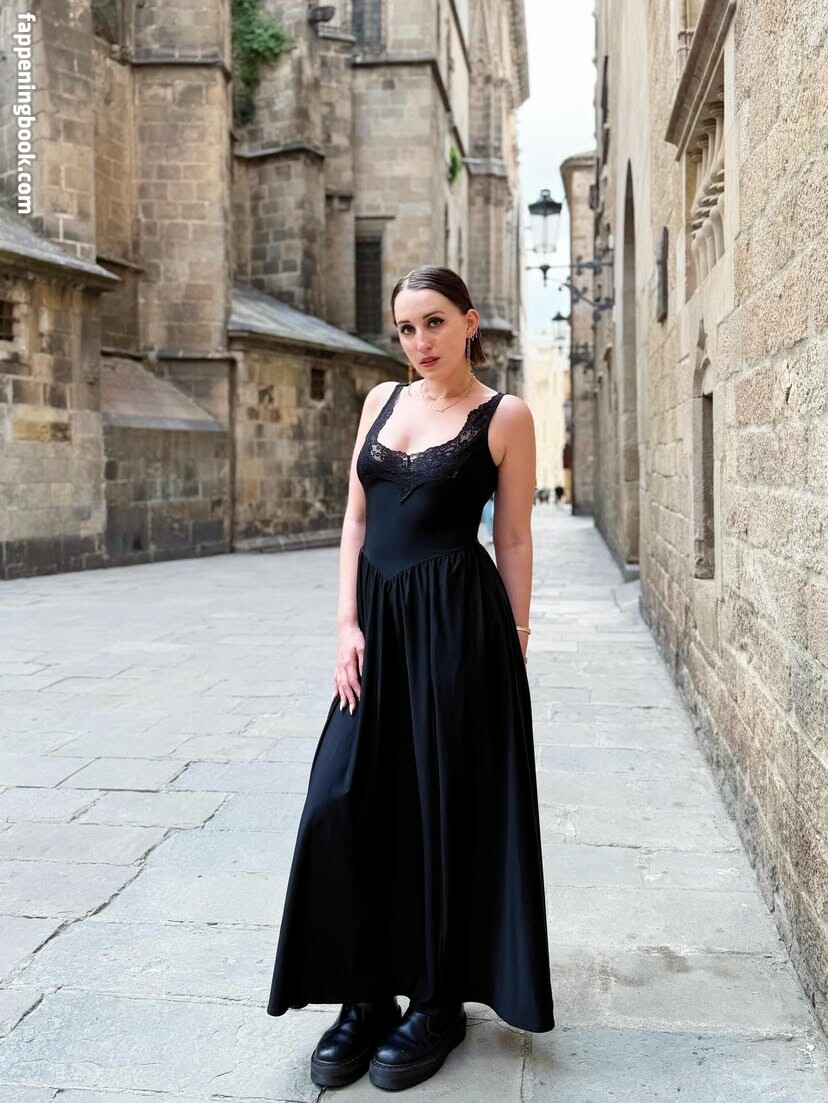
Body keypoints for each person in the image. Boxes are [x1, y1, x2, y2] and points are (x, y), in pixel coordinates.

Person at [266, 265, 555, 1092]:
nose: (419, 341)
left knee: (439, 808)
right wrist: (346, 624)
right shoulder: (380, 402)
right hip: (378, 628)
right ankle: (364, 994)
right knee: (340, 796)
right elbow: (356, 519)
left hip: (457, 626)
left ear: (469, 322)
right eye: (405, 328)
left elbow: (515, 538)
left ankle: (436, 999)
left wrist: (514, 639)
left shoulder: (506, 415)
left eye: (434, 322)